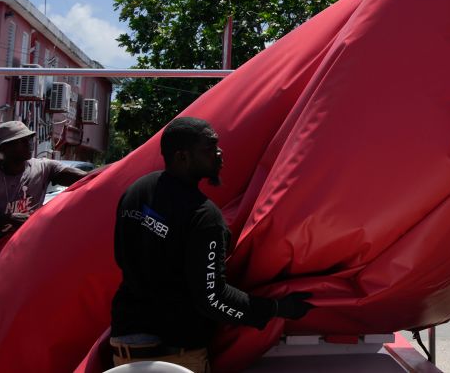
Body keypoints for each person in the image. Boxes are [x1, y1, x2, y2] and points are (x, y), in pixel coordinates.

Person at [110, 117, 314, 372]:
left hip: (126, 343)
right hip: (173, 355)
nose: (219, 153)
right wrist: (277, 308)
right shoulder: (204, 217)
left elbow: (122, 257)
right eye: (209, 148)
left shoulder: (136, 192)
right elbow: (212, 298)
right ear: (182, 156)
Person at [0, 120, 86, 251]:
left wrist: (106, 174)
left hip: (34, 247)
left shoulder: (45, 167)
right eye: (21, 140)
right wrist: (5, 220)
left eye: (29, 139)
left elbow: (87, 179)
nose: (29, 143)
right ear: (3, 147)